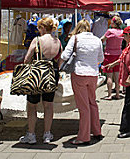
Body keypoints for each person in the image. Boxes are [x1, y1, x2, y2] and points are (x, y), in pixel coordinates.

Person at [60, 19, 104, 145]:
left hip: (79, 73)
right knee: (92, 102)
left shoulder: (75, 38)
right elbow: (101, 58)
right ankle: (96, 130)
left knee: (83, 106)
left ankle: (84, 136)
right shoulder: (97, 40)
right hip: (93, 74)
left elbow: (64, 56)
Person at [19, 17, 61, 145]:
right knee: (48, 104)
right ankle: (47, 134)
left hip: (37, 74)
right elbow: (60, 59)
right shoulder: (57, 41)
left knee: (32, 105)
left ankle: (31, 134)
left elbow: (27, 59)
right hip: (52, 73)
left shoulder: (37, 40)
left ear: (42, 28)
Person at [105, 26, 130, 138]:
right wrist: (113, 64)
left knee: (129, 103)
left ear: (129, 36)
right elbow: (124, 58)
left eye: (124, 36)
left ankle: (128, 129)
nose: (123, 38)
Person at [101, 16, 124, 100]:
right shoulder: (121, 32)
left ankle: (109, 94)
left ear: (114, 23)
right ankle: (117, 94)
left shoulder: (109, 31)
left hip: (109, 54)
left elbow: (102, 40)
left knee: (109, 76)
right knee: (117, 76)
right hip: (118, 54)